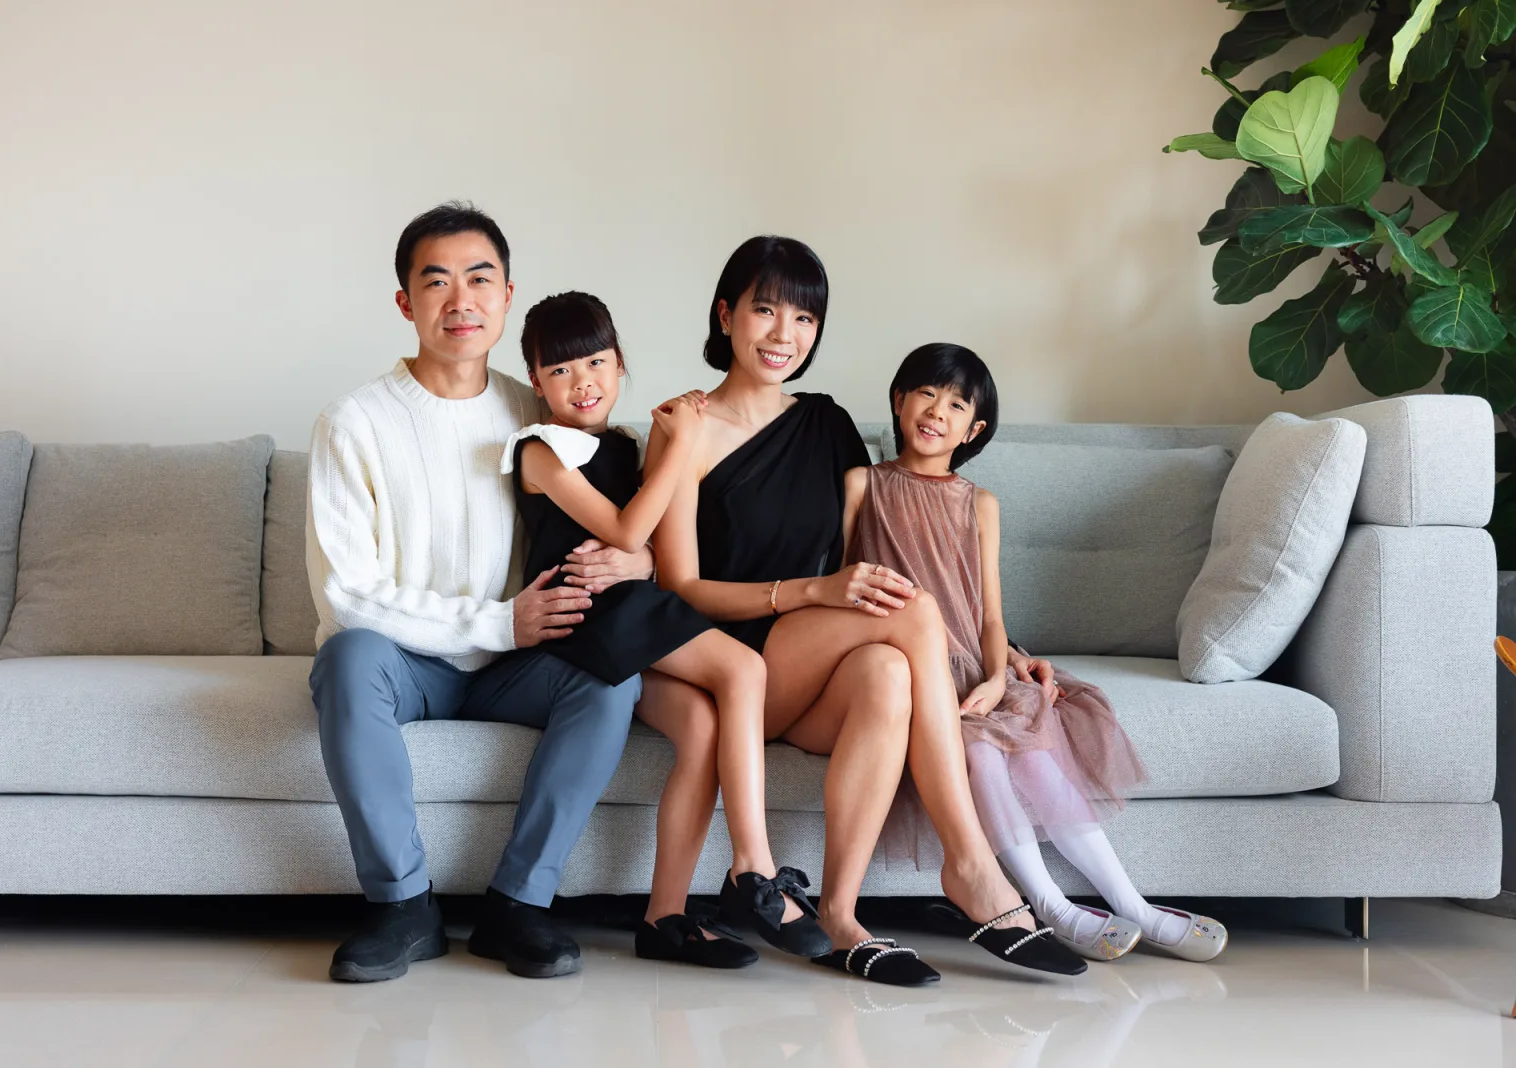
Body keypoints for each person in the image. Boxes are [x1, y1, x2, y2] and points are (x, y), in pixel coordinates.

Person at [643, 236, 1087, 986]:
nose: (785, 334)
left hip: (809, 662)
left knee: (887, 669)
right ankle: (971, 866)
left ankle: (842, 915)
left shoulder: (825, 424)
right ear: (725, 315)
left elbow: (891, 557)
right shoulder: (682, 425)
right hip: (727, 658)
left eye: (805, 319)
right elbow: (679, 585)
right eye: (765, 311)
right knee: (910, 617)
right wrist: (810, 592)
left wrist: (1004, 652)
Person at [306, 202, 654, 983]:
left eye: (480, 279)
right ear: (406, 303)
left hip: (515, 667)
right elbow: (345, 593)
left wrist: (643, 564)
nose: (460, 300)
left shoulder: (541, 407)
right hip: (412, 659)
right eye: (436, 282)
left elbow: (621, 519)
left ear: (505, 297)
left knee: (610, 676)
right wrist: (499, 622)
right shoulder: (353, 421)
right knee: (347, 658)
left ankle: (518, 908)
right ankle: (402, 909)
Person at [844, 343, 1228, 964]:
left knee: (1030, 751)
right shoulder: (863, 486)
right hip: (904, 668)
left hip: (973, 667)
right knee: (981, 752)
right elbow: (842, 584)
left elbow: (988, 614)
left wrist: (998, 676)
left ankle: (1133, 904)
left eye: (957, 403)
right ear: (898, 400)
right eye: (926, 393)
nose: (937, 411)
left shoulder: (979, 504)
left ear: (976, 429)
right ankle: (1047, 905)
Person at [503, 290, 831, 966]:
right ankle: (754, 869)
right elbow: (625, 526)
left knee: (705, 727)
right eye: (559, 371)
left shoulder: (622, 446)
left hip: (629, 615)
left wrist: (643, 554)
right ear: (536, 382)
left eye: (595, 362)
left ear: (621, 365)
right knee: (743, 669)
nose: (582, 382)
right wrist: (682, 444)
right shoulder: (539, 451)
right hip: (584, 622)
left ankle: (664, 918)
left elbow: (650, 545)